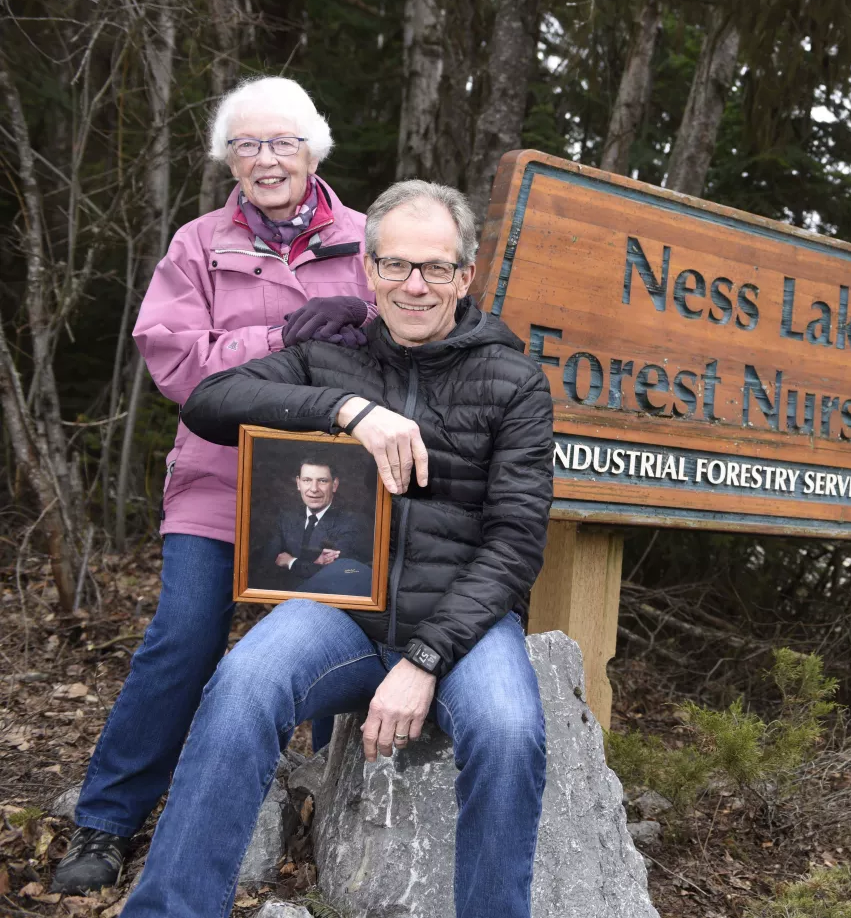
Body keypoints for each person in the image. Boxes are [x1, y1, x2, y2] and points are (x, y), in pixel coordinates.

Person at [119, 180, 554, 918]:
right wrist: (349, 410)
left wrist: (425, 660)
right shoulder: (331, 357)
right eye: (395, 265)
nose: (414, 286)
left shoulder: (514, 380)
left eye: (435, 268)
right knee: (244, 680)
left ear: (465, 276)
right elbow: (208, 401)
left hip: (460, 626)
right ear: (368, 270)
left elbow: (515, 543)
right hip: (341, 614)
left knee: (511, 731)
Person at [53, 76, 377, 895]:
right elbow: (172, 357)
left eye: (282, 143)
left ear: (314, 150)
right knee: (186, 633)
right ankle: (108, 817)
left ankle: (324, 799)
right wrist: (282, 339)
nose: (266, 160)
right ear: (227, 158)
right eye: (247, 145)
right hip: (218, 478)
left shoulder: (372, 239)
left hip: (341, 485)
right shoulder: (197, 244)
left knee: (336, 637)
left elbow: (412, 344)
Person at [252, 456, 373, 595]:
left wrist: (291, 562)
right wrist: (314, 563)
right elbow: (264, 567)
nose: (314, 489)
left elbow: (340, 575)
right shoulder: (286, 518)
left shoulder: (352, 523)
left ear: (334, 484)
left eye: (322, 481)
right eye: (307, 480)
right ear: (298, 483)